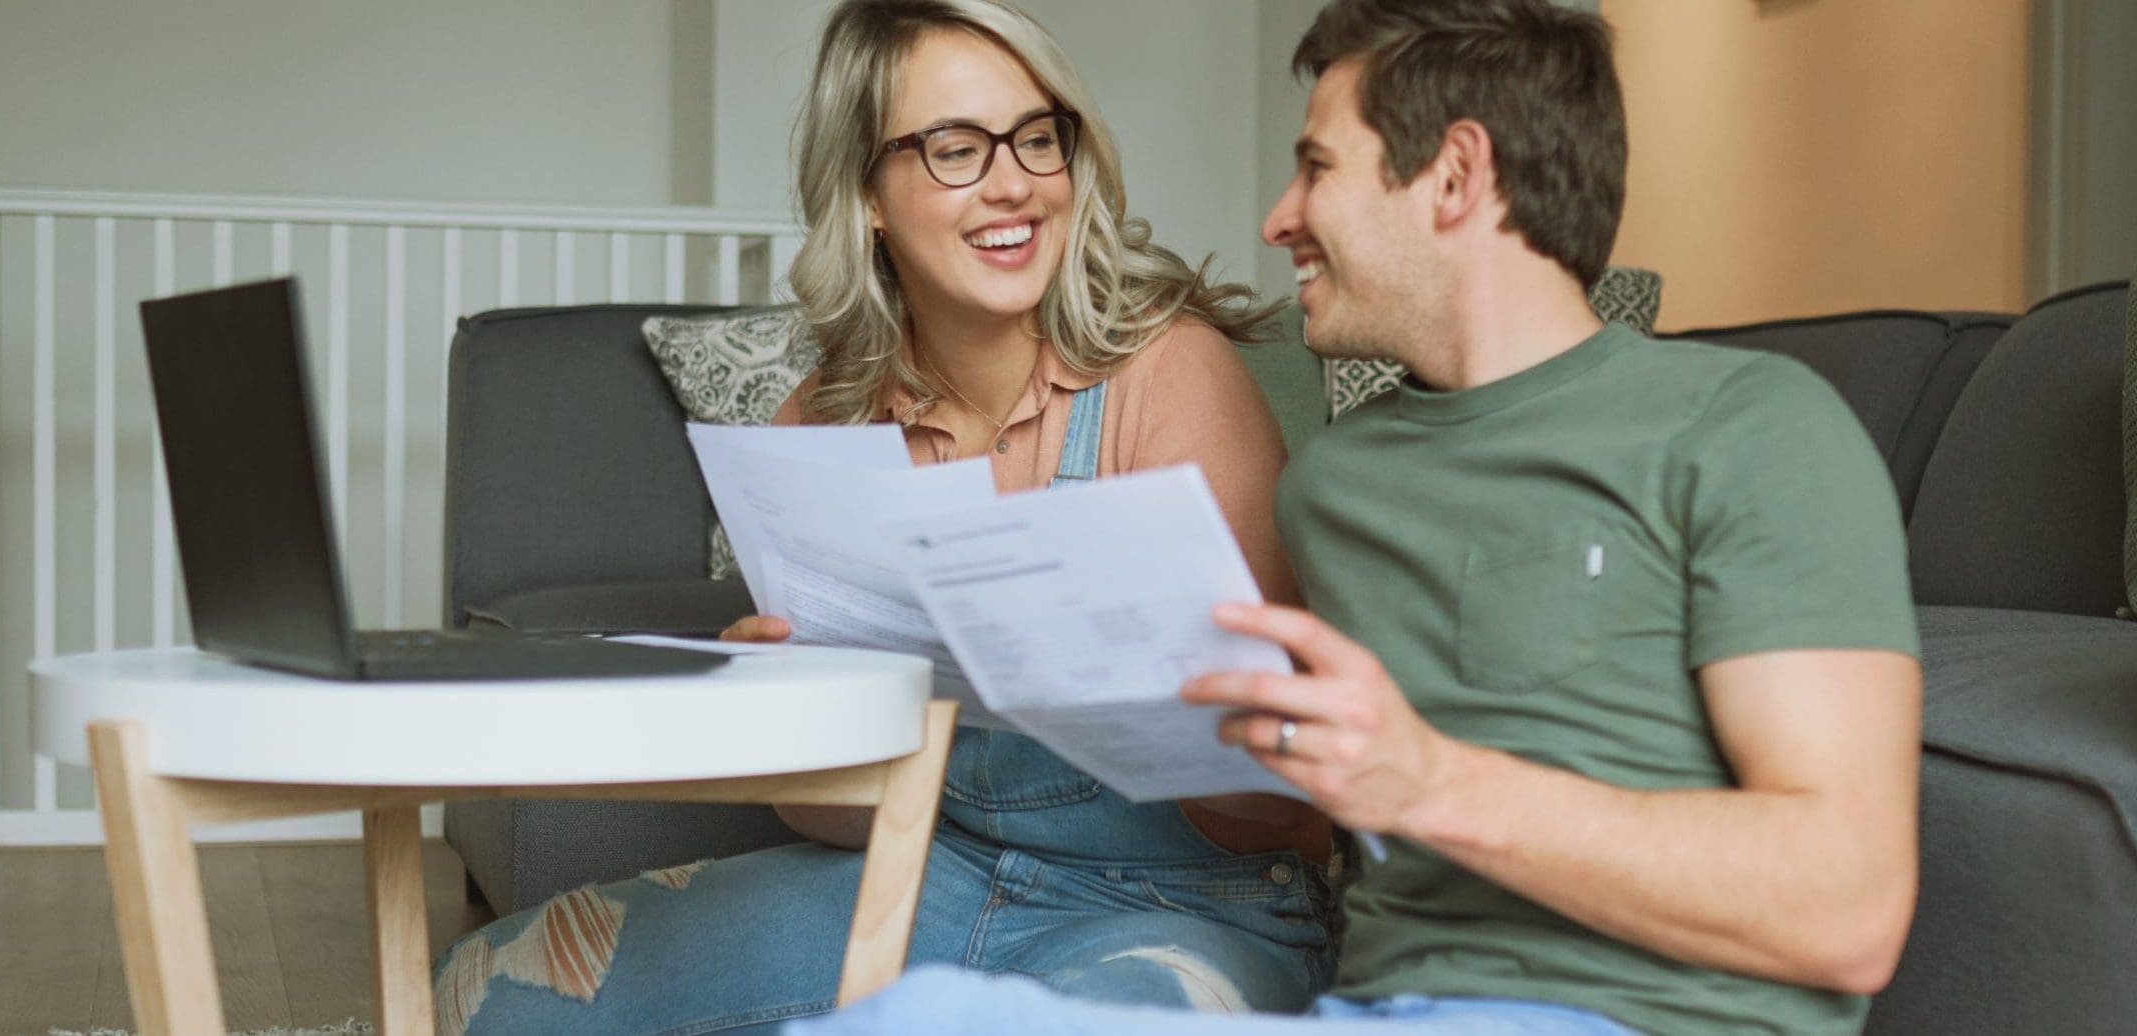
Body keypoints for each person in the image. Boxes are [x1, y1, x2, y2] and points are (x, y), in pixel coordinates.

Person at [789, 1, 1926, 1034]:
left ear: (1452, 176)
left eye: (1315, 167)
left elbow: (1850, 910)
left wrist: (1425, 782)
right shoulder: (1340, 484)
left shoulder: (1751, 426)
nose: (1277, 219)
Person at [430, 2, 1339, 1033]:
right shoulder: (822, 419)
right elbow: (836, 814)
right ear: (867, 193)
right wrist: (791, 716)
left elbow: (1282, 808)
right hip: (927, 873)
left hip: (1188, 905)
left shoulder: (1171, 376)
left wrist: (1173, 707)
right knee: (488, 990)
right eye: (955, 148)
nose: (1012, 182)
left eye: (1036, 137)